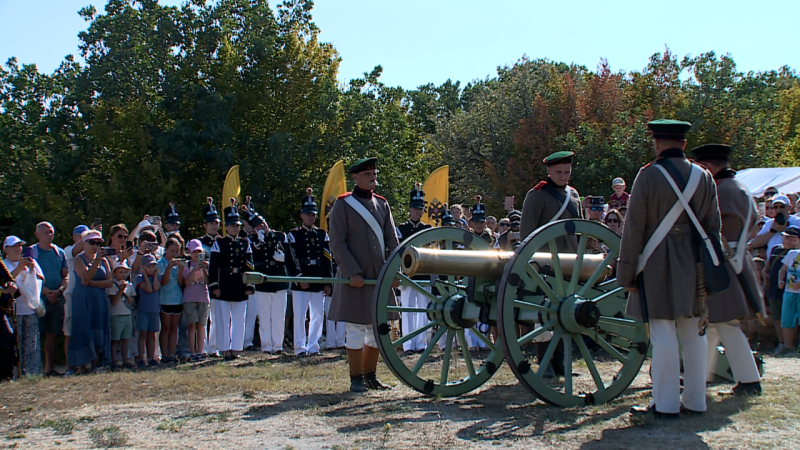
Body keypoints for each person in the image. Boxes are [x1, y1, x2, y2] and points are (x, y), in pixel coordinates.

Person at [619, 119, 720, 418]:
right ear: (684, 143)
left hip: (656, 261)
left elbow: (634, 228)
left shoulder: (648, 175)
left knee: (662, 334)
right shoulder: (703, 176)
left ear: (656, 142)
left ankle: (664, 404)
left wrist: (626, 274)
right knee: (693, 333)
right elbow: (713, 229)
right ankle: (696, 401)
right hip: (692, 262)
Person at [692, 144, 764, 395]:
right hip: (736, 260)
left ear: (709, 166)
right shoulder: (740, 188)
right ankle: (698, 376)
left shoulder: (720, 191)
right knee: (712, 323)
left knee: (725, 324)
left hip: (722, 264)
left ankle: (749, 380)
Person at [328, 157, 400, 392]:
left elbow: (392, 241)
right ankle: (356, 377)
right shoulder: (342, 204)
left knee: (376, 328)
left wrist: (394, 270)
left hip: (379, 276)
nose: (373, 177)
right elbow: (338, 243)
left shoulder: (382, 204)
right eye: (368, 174)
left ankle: (371, 375)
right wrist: (353, 272)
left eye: (374, 173)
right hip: (355, 278)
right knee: (356, 328)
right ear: (355, 177)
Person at [520, 150, 583, 378]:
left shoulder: (573, 195)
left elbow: (581, 231)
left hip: (569, 266)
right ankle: (545, 362)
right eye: (559, 172)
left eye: (567, 172)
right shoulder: (537, 195)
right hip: (544, 266)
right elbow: (527, 232)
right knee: (543, 317)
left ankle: (562, 363)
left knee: (567, 315)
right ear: (549, 171)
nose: (564, 176)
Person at [286, 189, 333, 356]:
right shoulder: (294, 234)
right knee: (299, 316)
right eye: (307, 214)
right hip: (302, 280)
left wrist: (328, 282)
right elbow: (291, 258)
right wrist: (299, 277)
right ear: (301, 215)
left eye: (313, 214)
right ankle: (299, 347)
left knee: (318, 315)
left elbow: (327, 259)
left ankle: (313, 345)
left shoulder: (321, 234)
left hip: (317, 278)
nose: (310, 217)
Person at [209, 199, 256, 361]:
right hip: (224, 284)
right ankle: (224, 348)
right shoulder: (219, 243)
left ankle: (236, 347)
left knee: (239, 318)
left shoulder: (244, 243)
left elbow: (249, 264)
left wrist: (250, 284)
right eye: (232, 225)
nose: (235, 228)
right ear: (226, 227)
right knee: (223, 319)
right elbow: (214, 266)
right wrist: (214, 285)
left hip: (239, 284)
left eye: (237, 225)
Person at [242, 204, 290, 355]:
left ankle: (278, 345)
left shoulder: (279, 235)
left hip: (279, 280)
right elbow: (253, 255)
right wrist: (258, 239)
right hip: (262, 282)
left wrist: (281, 257)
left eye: (262, 223)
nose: (261, 227)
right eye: (257, 226)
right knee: (264, 317)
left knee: (278, 315)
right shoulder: (251, 240)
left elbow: (287, 252)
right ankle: (266, 345)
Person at [69, 230, 113, 374]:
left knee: (99, 328)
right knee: (83, 330)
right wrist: (96, 262)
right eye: (92, 242)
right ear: (84, 243)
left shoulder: (104, 260)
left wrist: (94, 284)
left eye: (98, 243)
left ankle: (97, 365)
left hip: (99, 299)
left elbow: (109, 282)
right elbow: (86, 277)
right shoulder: (78, 260)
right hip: (83, 299)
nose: (95, 246)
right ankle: (81, 365)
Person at [395, 183, 433, 354]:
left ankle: (421, 344)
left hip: (424, 274)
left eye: (421, 209)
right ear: (410, 209)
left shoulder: (428, 229)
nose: (418, 212)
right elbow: (396, 254)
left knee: (423, 311)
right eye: (416, 208)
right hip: (408, 276)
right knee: (408, 310)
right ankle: (408, 344)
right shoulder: (401, 229)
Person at [31, 222, 68, 377]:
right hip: (37, 300)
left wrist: (58, 292)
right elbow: (29, 276)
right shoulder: (32, 252)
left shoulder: (59, 252)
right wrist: (47, 292)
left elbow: (65, 275)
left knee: (53, 335)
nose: (49, 234)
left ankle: (49, 369)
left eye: (51, 231)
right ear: (37, 234)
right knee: (35, 336)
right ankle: (34, 369)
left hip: (57, 299)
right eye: (45, 232)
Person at [3, 236, 44, 377]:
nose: (17, 249)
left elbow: (41, 278)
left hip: (29, 309)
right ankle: (15, 373)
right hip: (14, 311)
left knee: (31, 343)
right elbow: (6, 281)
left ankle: (32, 373)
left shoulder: (29, 261)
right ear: (6, 249)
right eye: (14, 246)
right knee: (16, 343)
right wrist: (20, 268)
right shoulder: (4, 264)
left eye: (19, 246)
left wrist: (32, 269)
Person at [62, 225, 88, 375]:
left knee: (84, 330)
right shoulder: (68, 249)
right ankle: (70, 366)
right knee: (70, 331)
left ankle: (83, 364)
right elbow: (76, 250)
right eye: (82, 236)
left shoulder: (89, 253)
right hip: (71, 295)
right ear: (75, 237)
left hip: (85, 294)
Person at [181, 239, 210, 361]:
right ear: (189, 252)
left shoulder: (206, 265)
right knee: (191, 325)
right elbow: (186, 282)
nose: (197, 255)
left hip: (203, 298)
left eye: (199, 252)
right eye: (194, 252)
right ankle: (191, 351)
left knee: (201, 326)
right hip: (189, 299)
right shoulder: (186, 265)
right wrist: (194, 269)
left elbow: (208, 282)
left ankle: (200, 351)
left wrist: (203, 268)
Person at [199, 198, 221, 356]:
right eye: (211, 223)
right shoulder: (199, 242)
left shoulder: (222, 241)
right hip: (202, 282)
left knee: (217, 315)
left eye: (216, 223)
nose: (214, 225)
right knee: (202, 318)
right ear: (205, 225)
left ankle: (214, 347)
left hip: (219, 282)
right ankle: (203, 347)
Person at [764, 231, 792, 355]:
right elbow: (767, 269)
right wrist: (766, 277)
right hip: (773, 289)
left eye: (791, 237)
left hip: (788, 290)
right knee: (777, 318)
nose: (787, 240)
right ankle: (781, 344)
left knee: (788, 319)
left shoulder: (795, 253)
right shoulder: (776, 249)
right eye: (786, 237)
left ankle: (789, 345)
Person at [158, 237, 184, 363]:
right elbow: (164, 281)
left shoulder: (177, 265)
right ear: (166, 249)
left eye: (176, 251)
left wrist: (179, 270)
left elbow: (180, 282)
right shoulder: (161, 263)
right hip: (165, 299)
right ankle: (164, 354)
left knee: (174, 327)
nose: (174, 254)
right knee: (166, 327)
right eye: (172, 251)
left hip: (177, 299)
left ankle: (172, 353)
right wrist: (169, 267)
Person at [106, 260, 135, 371]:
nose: (123, 275)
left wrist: (131, 299)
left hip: (127, 314)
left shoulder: (130, 285)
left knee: (125, 340)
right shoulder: (112, 285)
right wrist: (120, 291)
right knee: (115, 340)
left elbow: (133, 300)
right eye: (120, 272)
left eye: (125, 272)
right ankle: (114, 362)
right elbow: (113, 301)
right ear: (114, 273)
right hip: (116, 315)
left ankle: (125, 361)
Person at [777, 226, 800, 356]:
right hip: (789, 292)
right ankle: (787, 346)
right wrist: (780, 280)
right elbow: (783, 270)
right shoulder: (791, 254)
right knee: (787, 319)